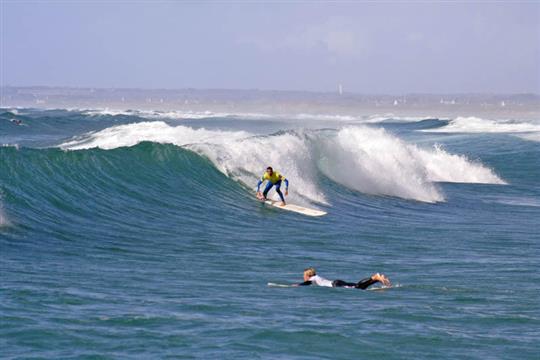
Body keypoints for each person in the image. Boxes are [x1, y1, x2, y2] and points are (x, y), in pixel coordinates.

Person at [294, 267, 391, 289]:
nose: (303, 277)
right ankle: (376, 279)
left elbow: (306, 283)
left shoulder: (312, 279)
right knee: (359, 286)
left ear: (308, 275)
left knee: (358, 287)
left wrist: (297, 285)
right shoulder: (316, 277)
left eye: (304, 275)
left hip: (336, 284)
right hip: (337, 282)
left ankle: (374, 277)